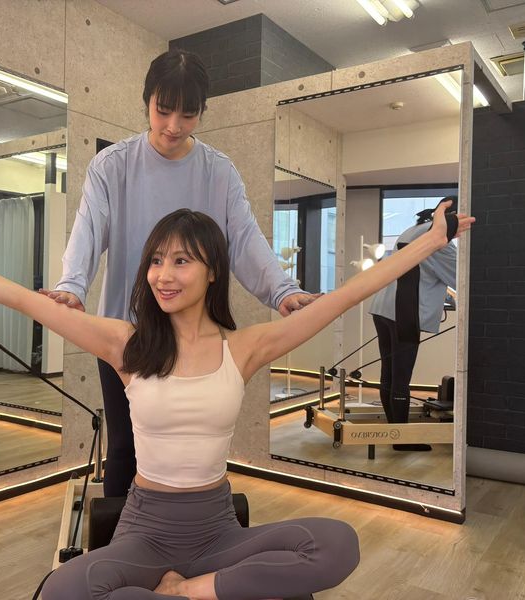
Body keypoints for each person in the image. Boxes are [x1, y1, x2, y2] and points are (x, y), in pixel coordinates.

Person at [0, 201, 473, 599]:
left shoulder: (244, 348)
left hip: (217, 530)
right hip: (144, 530)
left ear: (212, 271)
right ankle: (201, 590)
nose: (163, 275)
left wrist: (430, 241)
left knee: (338, 542)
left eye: (181, 261)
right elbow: (16, 297)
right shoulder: (126, 345)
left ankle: (193, 592)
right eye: (155, 261)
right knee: (61, 591)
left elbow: (345, 296)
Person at [44, 49, 319, 497]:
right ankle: (126, 540)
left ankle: (186, 533)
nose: (173, 125)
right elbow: (87, 232)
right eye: (163, 110)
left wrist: (282, 291)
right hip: (128, 335)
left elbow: (245, 240)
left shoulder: (219, 172)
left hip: (196, 336)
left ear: (202, 111)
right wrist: (71, 286)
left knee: (193, 456)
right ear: (147, 101)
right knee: (126, 448)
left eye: (188, 115)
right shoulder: (112, 166)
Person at [369, 196, 459, 452]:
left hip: (383, 306)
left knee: (389, 372)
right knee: (401, 376)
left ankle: (394, 432)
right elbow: (461, 277)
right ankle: (401, 439)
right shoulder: (439, 240)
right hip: (404, 311)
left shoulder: (415, 229)